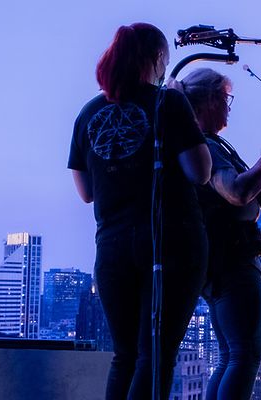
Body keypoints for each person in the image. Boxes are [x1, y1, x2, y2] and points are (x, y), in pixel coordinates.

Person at [67, 23, 212, 399]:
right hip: (170, 242)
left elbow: (85, 192)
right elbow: (200, 172)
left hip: (112, 249)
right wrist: (182, 109)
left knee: (125, 356)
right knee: (156, 355)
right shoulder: (168, 102)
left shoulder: (89, 113)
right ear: (157, 59)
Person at [173, 67, 261, 399]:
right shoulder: (206, 147)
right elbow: (236, 193)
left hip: (220, 262)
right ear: (209, 99)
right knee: (245, 354)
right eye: (226, 98)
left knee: (231, 355)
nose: (229, 106)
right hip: (232, 262)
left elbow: (236, 198)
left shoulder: (208, 146)